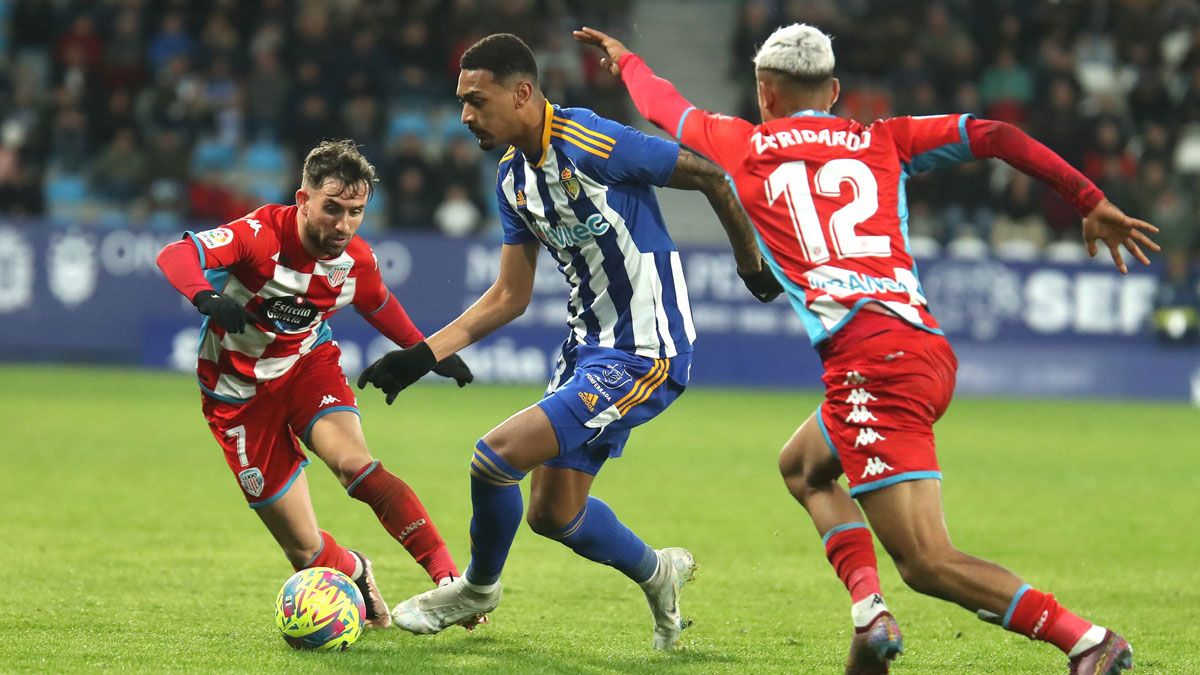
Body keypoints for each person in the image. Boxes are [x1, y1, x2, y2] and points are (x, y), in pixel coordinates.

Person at [575, 23, 1158, 675]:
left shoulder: (742, 144)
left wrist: (626, 61)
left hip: (869, 365)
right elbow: (997, 135)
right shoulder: (883, 138)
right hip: (922, 346)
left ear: (764, 92)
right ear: (833, 91)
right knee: (803, 465)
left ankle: (1085, 638)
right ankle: (868, 609)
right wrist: (1090, 197)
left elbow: (661, 106)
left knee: (928, 560)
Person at [357, 33, 781, 648]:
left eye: (477, 100)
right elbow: (510, 294)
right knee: (553, 514)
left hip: (647, 349)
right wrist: (424, 355)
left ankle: (477, 589)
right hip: (587, 349)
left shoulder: (593, 142)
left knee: (494, 456)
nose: (465, 115)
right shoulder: (511, 180)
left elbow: (712, 175)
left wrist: (750, 264)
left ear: (522, 92)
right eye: (462, 102)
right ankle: (659, 573)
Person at [155, 139, 477, 631]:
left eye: (356, 212)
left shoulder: (355, 262)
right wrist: (204, 295)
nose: (343, 225)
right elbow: (176, 253)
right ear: (303, 199)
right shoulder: (259, 236)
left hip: (308, 369)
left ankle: (449, 579)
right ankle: (354, 569)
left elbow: (379, 305)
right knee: (304, 549)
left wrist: (429, 352)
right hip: (236, 395)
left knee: (355, 465)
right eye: (332, 209)